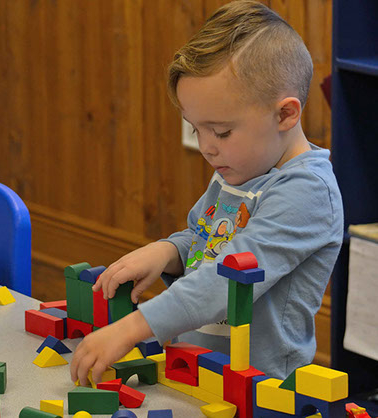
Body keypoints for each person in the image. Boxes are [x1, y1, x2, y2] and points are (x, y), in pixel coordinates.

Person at [70, 0, 343, 385]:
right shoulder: (240, 165)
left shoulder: (308, 191)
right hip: (197, 372)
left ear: (285, 114)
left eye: (222, 131)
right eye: (196, 129)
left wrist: (133, 328)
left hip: (259, 389)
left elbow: (227, 277)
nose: (206, 147)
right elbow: (207, 241)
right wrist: (167, 252)